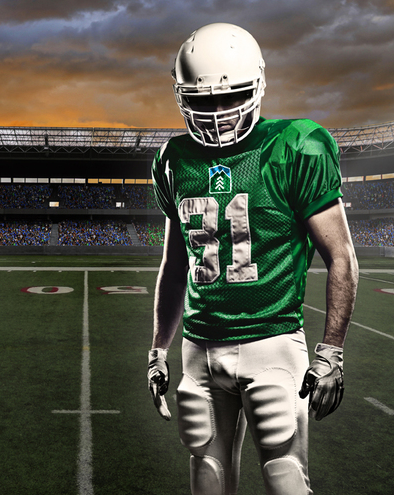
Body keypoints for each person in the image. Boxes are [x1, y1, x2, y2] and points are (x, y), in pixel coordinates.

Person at [147, 23, 359, 495]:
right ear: (182, 98)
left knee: (285, 478)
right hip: (199, 350)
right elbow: (175, 266)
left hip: (272, 343)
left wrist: (332, 350)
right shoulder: (172, 159)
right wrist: (159, 349)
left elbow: (340, 254)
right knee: (207, 479)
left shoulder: (294, 145)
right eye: (202, 101)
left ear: (258, 86)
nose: (218, 113)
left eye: (230, 97)